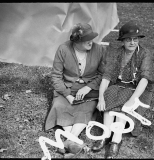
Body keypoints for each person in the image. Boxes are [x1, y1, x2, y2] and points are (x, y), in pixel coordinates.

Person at [91, 21, 153, 158]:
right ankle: (105, 134)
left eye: (135, 39)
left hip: (135, 88)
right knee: (110, 93)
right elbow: (107, 77)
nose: (132, 42)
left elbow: (144, 79)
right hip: (118, 84)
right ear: (123, 41)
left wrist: (133, 100)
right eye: (128, 39)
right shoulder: (117, 53)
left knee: (124, 102)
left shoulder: (144, 53)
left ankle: (116, 140)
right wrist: (101, 97)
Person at [44, 23, 107, 155]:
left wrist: (88, 88)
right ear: (77, 41)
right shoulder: (63, 49)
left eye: (92, 38)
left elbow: (103, 74)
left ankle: (68, 142)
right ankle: (74, 141)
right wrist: (67, 95)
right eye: (87, 39)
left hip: (89, 91)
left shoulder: (99, 50)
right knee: (58, 106)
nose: (91, 42)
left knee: (88, 107)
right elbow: (56, 76)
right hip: (66, 88)